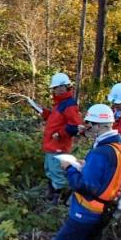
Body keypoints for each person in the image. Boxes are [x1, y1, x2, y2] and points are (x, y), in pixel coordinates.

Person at [47, 104, 121, 240]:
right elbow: (117, 172)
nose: (86, 128)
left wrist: (69, 168)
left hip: (87, 210)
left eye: (89, 125)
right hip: (105, 208)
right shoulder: (120, 146)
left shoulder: (100, 152)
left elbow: (84, 186)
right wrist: (86, 166)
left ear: (100, 126)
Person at [35, 73, 84, 204]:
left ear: (65, 87)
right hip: (51, 145)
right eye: (55, 87)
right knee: (49, 170)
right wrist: (44, 113)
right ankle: (52, 194)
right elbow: (56, 119)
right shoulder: (59, 103)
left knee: (57, 173)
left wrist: (60, 134)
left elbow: (75, 125)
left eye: (60, 87)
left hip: (59, 146)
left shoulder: (69, 104)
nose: (57, 89)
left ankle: (60, 198)